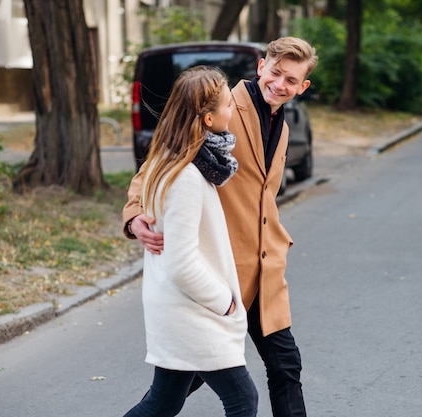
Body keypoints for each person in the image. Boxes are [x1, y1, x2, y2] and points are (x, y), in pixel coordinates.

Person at [123, 36, 318, 417]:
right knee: (178, 388)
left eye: (292, 81)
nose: (281, 85)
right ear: (262, 66)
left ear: (302, 87)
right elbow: (157, 165)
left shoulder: (284, 126)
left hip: (265, 273)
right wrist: (134, 217)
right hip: (221, 274)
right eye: (276, 73)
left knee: (285, 367)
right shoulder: (221, 107)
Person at [123, 66, 258, 417]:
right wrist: (225, 301)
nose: (233, 112)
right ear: (209, 118)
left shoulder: (170, 161)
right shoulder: (185, 174)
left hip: (177, 306)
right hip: (192, 310)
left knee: (162, 402)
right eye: (228, 105)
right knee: (243, 400)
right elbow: (182, 263)